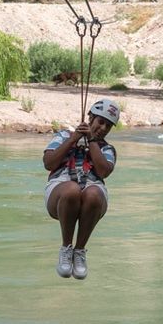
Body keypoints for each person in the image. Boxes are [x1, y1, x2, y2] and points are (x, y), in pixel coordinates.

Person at [43, 99, 120, 280]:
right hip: (61, 187)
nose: (102, 128)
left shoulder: (107, 149)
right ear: (90, 117)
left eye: (108, 126)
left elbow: (103, 171)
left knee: (92, 194)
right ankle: (66, 247)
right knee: (72, 189)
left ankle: (80, 251)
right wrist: (73, 139)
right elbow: (48, 163)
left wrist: (92, 141)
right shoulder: (64, 136)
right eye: (100, 122)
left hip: (92, 187)